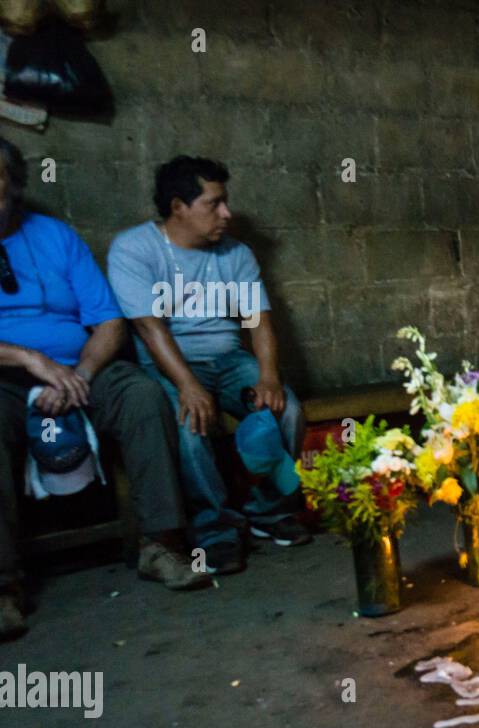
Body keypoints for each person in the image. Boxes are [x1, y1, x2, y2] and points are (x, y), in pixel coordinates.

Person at [0, 138, 207, 637]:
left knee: (141, 394)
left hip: (79, 366)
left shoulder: (55, 236)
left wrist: (83, 375)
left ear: (16, 186)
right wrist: (31, 359)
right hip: (6, 375)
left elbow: (109, 322)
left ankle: (161, 545)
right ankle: (4, 586)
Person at [108, 156, 311, 575]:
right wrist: (187, 384)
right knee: (189, 422)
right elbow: (149, 329)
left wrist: (269, 376)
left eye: (226, 202)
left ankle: (268, 512)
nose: (227, 213)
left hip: (229, 360)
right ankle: (215, 529)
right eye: (214, 204)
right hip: (168, 363)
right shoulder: (135, 249)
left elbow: (258, 321)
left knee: (286, 407)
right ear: (179, 206)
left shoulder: (235, 253)